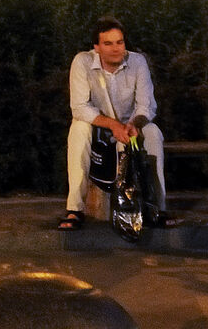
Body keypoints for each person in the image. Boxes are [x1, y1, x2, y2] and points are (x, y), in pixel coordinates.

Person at [56, 18, 171, 229]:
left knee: (153, 132)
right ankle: (74, 209)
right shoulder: (82, 62)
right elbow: (80, 107)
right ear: (97, 47)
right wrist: (112, 125)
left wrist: (134, 124)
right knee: (78, 129)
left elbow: (147, 105)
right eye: (108, 44)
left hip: (129, 126)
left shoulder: (137, 62)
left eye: (119, 42)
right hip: (98, 126)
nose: (116, 49)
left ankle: (157, 208)